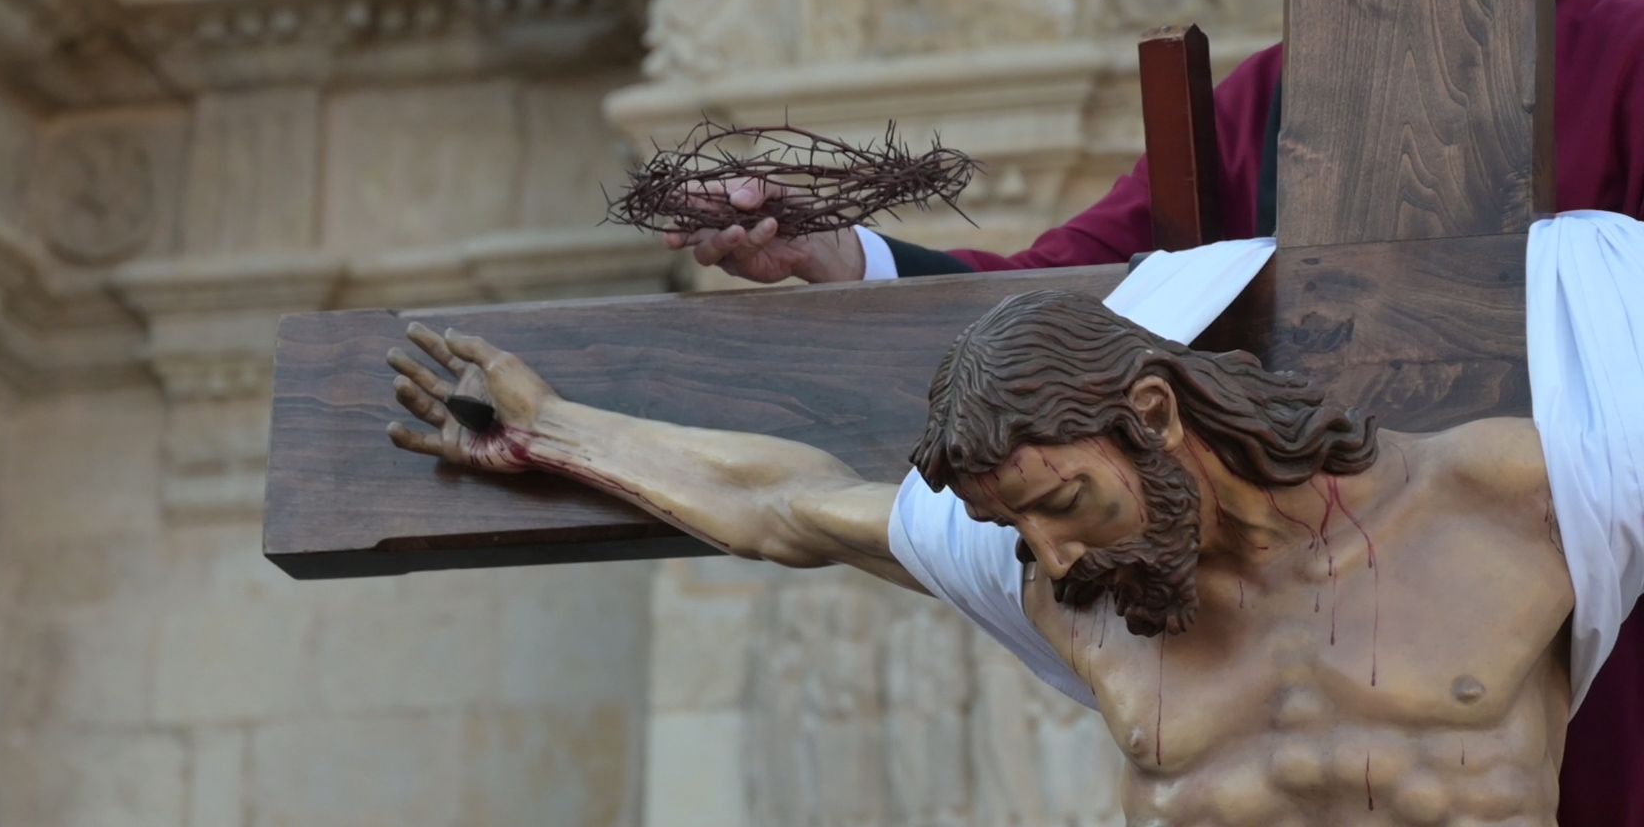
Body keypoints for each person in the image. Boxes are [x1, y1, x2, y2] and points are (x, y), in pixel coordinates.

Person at [663, 0, 1644, 822]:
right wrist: (850, 262)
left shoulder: (1626, 56)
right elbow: (1073, 314)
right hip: (1294, 662)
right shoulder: (1264, 106)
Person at [382, 207, 1644, 824]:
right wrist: (556, 432)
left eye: (1060, 504)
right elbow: (792, 506)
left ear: (1152, 411)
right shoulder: (1081, 598)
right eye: (1020, 528)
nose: (1047, 557)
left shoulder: (1504, 500)